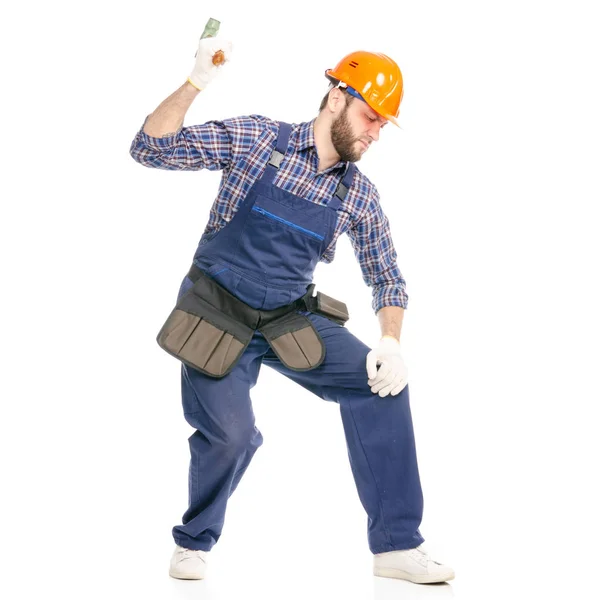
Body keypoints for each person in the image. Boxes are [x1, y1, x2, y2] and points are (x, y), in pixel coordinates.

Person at [129, 34, 454, 585]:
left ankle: (397, 544)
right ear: (335, 99)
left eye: (382, 125)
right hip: (216, 316)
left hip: (287, 320)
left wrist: (391, 343)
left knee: (382, 388)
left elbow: (387, 276)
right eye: (371, 117)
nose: (376, 133)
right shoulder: (257, 138)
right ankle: (193, 541)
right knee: (232, 436)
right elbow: (150, 148)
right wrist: (195, 84)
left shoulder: (359, 195)